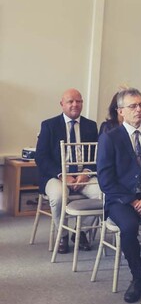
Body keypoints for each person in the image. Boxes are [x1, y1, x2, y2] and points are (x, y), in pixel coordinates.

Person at [96, 88, 141, 303]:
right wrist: (133, 201)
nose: (139, 110)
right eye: (133, 106)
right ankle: (138, 278)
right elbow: (105, 180)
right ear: (121, 111)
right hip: (120, 200)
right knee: (129, 226)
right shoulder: (109, 139)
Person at [36, 88, 101, 253]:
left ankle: (81, 233)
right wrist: (62, 175)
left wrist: (85, 173)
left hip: (83, 175)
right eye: (70, 101)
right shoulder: (49, 125)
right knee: (58, 197)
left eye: (78, 101)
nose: (75, 105)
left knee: (104, 194)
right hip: (56, 176)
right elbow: (41, 157)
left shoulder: (91, 126)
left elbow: (98, 155)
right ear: (62, 104)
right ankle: (63, 234)